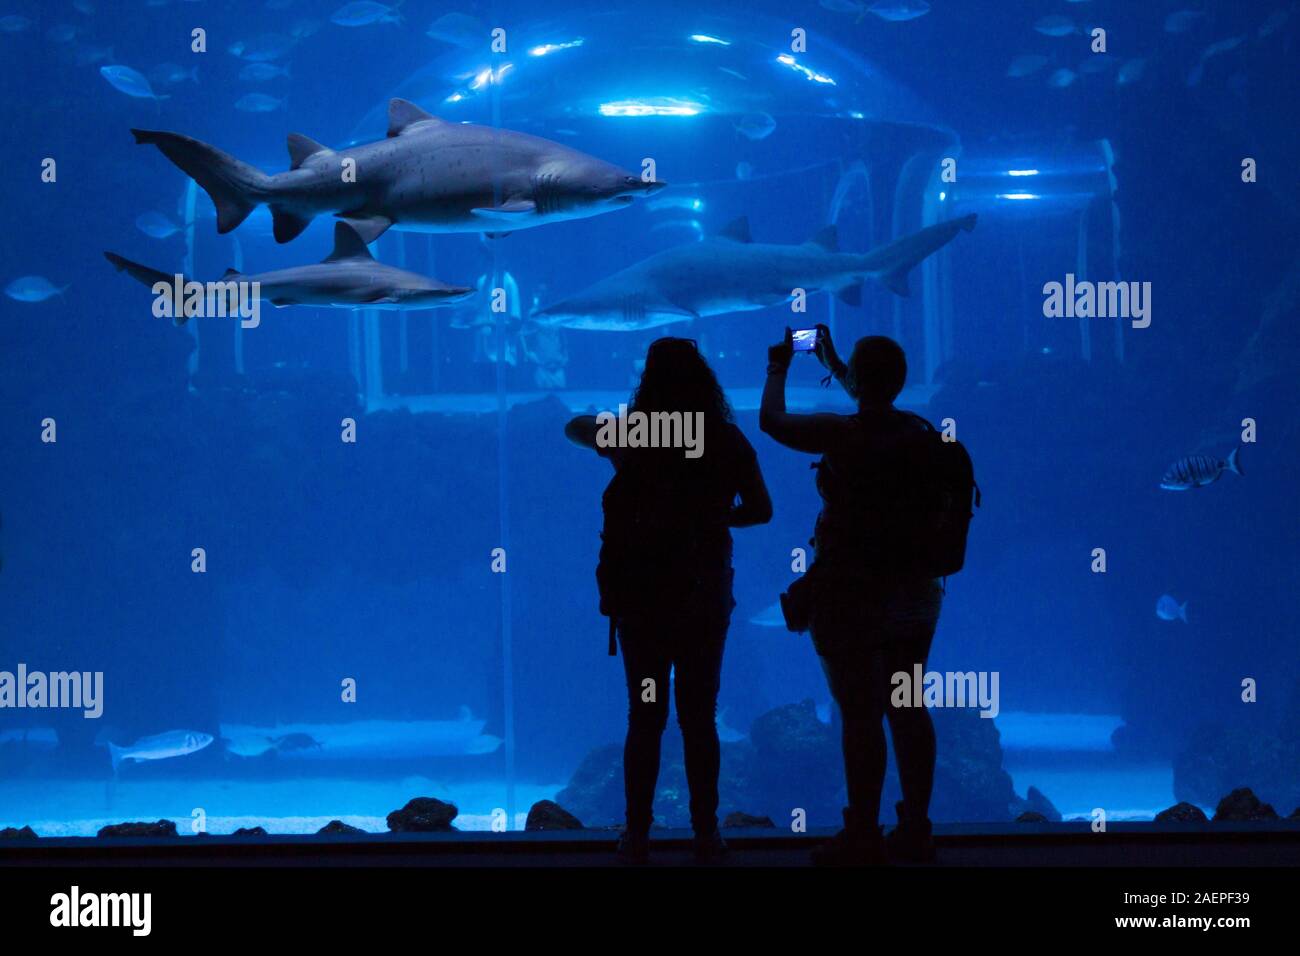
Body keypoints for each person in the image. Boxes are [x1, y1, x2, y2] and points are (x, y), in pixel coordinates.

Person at [565, 337, 772, 863]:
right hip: (703, 601)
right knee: (700, 718)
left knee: (646, 714)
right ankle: (707, 833)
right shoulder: (725, 439)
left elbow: (574, 427)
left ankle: (637, 835)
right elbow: (762, 510)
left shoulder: (636, 436)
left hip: (642, 605)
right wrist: (712, 519)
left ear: (648, 384)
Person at [759, 325, 943, 866]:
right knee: (907, 707)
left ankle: (863, 832)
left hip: (850, 596)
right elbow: (876, 405)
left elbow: (772, 422)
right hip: (915, 594)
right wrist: (840, 364)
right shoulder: (921, 434)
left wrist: (779, 365)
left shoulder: (841, 435)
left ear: (858, 380)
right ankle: (916, 830)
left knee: (860, 713)